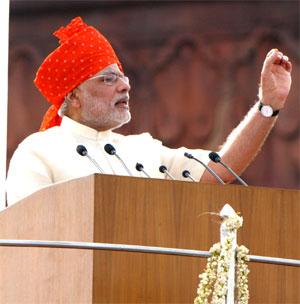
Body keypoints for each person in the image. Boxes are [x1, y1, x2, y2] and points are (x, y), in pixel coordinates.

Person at [6, 17, 292, 205]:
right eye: (109, 78)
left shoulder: (143, 150)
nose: (124, 87)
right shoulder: (38, 151)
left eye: (123, 77)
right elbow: (28, 240)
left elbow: (221, 169)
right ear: (74, 95)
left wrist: (268, 105)